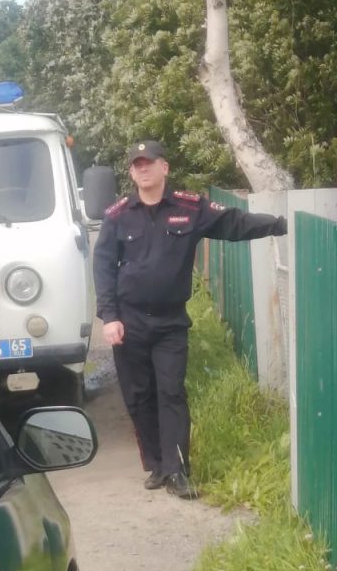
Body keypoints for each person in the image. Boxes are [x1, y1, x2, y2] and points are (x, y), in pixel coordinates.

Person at [93, 140, 287, 499]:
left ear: (164, 167)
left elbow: (234, 223)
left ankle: (178, 470)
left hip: (170, 323)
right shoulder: (118, 215)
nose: (142, 169)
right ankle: (156, 465)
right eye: (136, 165)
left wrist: (279, 224)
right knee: (138, 395)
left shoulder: (189, 207)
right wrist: (109, 317)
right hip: (129, 322)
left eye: (149, 162)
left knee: (171, 392)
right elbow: (103, 267)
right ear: (131, 172)